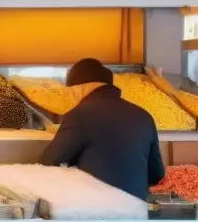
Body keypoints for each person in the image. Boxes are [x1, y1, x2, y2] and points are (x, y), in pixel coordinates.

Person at [41, 58, 164, 200]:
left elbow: (49, 160)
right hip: (136, 211)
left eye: (71, 92)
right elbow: (157, 175)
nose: (71, 97)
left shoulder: (82, 114)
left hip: (96, 211)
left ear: (82, 87)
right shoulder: (144, 116)